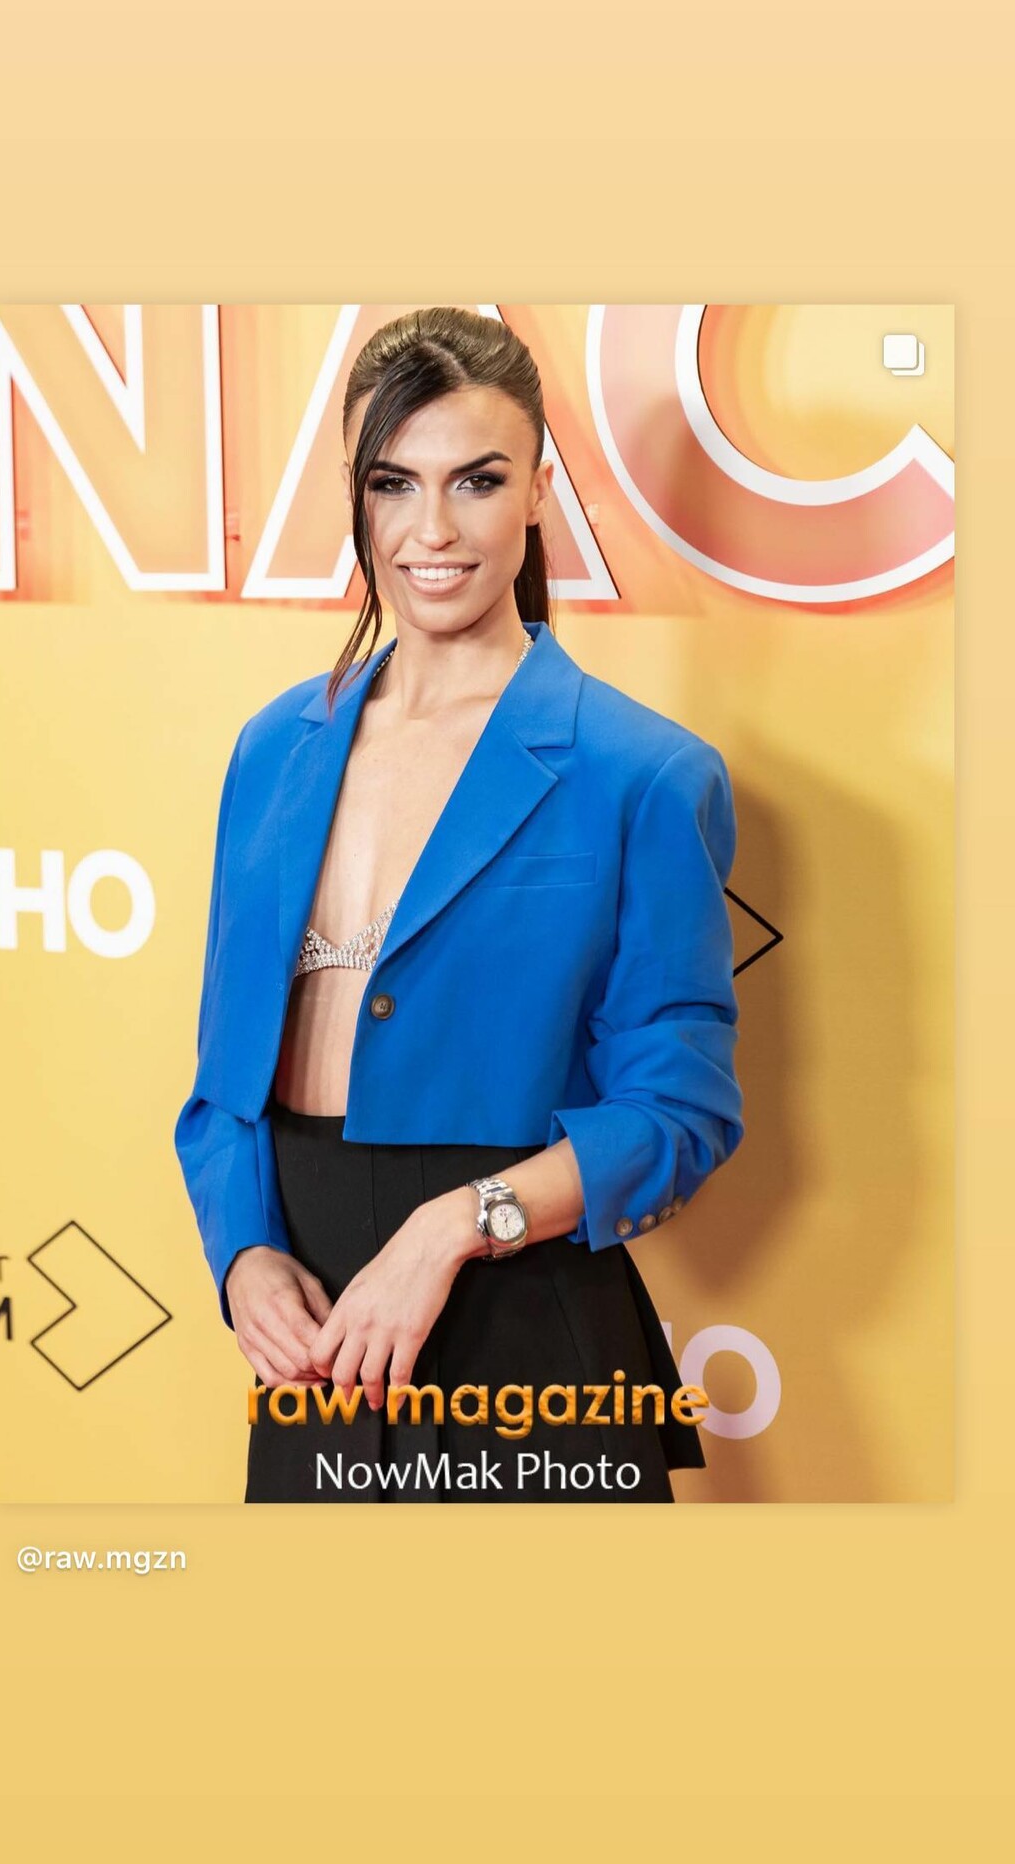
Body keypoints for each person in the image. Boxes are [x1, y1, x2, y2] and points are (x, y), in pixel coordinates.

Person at [174, 305, 745, 1502]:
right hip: (319, 1342)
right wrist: (245, 1255)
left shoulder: (642, 772)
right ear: (355, 496)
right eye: (394, 483)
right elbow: (223, 1085)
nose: (431, 531)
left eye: (477, 481)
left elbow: (679, 1113)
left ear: (536, 492)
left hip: (526, 1321)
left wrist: (452, 1229)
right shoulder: (272, 750)